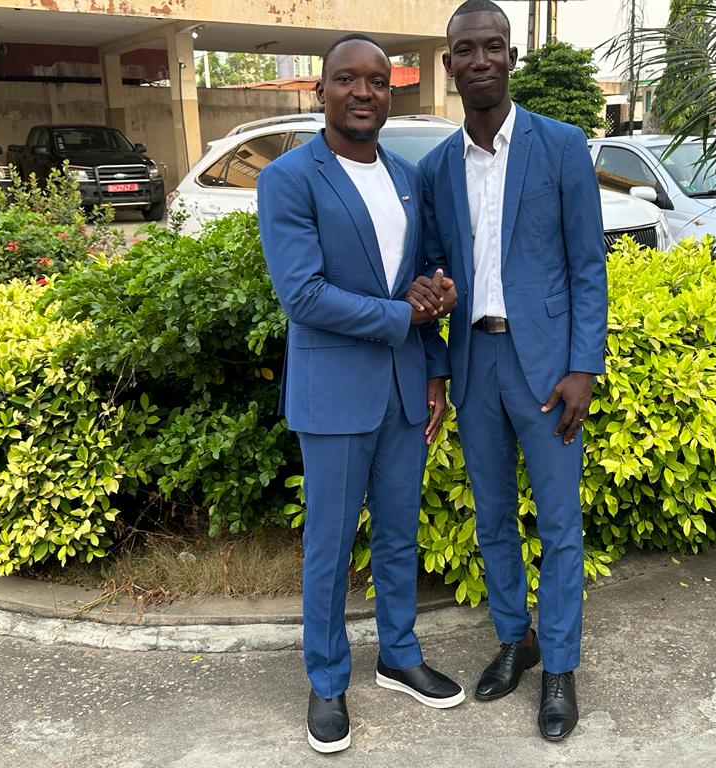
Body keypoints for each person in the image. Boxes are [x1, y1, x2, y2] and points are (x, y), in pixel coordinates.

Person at [257, 33, 465, 755]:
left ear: (390, 94)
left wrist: (434, 359)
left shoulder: (406, 175)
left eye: (377, 81)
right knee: (331, 543)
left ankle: (399, 656)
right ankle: (326, 680)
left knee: (400, 533)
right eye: (346, 79)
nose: (363, 92)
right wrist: (402, 315)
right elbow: (303, 294)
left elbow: (422, 275)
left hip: (405, 388)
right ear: (321, 91)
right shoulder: (289, 178)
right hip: (335, 393)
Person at [412, 0, 608, 743]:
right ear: (449, 64)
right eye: (466, 49)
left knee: (558, 524)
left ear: (511, 56)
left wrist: (583, 365)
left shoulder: (560, 146)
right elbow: (432, 279)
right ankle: (514, 640)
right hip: (476, 363)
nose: (481, 60)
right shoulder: (436, 168)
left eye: (493, 46)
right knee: (492, 516)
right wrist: (437, 368)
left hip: (549, 368)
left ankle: (559, 665)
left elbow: (587, 266)